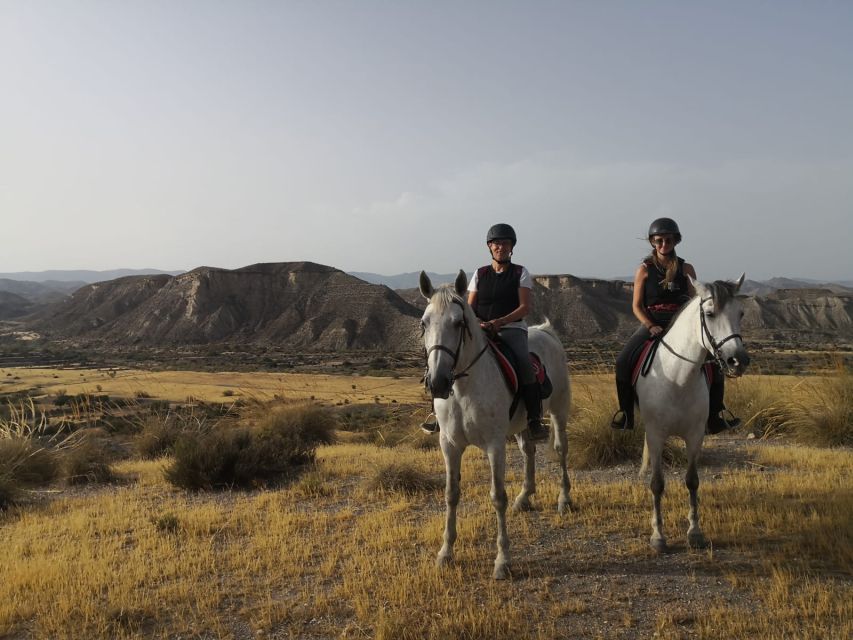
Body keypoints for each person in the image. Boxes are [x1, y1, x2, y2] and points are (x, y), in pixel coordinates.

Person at [610, 217, 741, 433]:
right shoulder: (644, 269)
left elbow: (694, 302)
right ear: (653, 242)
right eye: (659, 240)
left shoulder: (686, 268)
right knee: (623, 361)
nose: (664, 245)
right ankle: (625, 414)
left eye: (668, 240)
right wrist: (650, 325)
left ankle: (716, 414)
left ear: (676, 241)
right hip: (653, 321)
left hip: (681, 324)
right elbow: (636, 307)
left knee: (713, 364)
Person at [422, 223, 549, 442]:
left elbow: (524, 307)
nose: (501, 247)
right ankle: (437, 413)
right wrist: (480, 323)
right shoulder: (480, 274)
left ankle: (534, 419)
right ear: (490, 247)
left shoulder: (521, 272)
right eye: (497, 243)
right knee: (447, 360)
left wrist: (499, 322)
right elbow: (470, 307)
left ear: (512, 248)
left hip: (512, 329)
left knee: (524, 364)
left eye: (506, 243)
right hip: (482, 330)